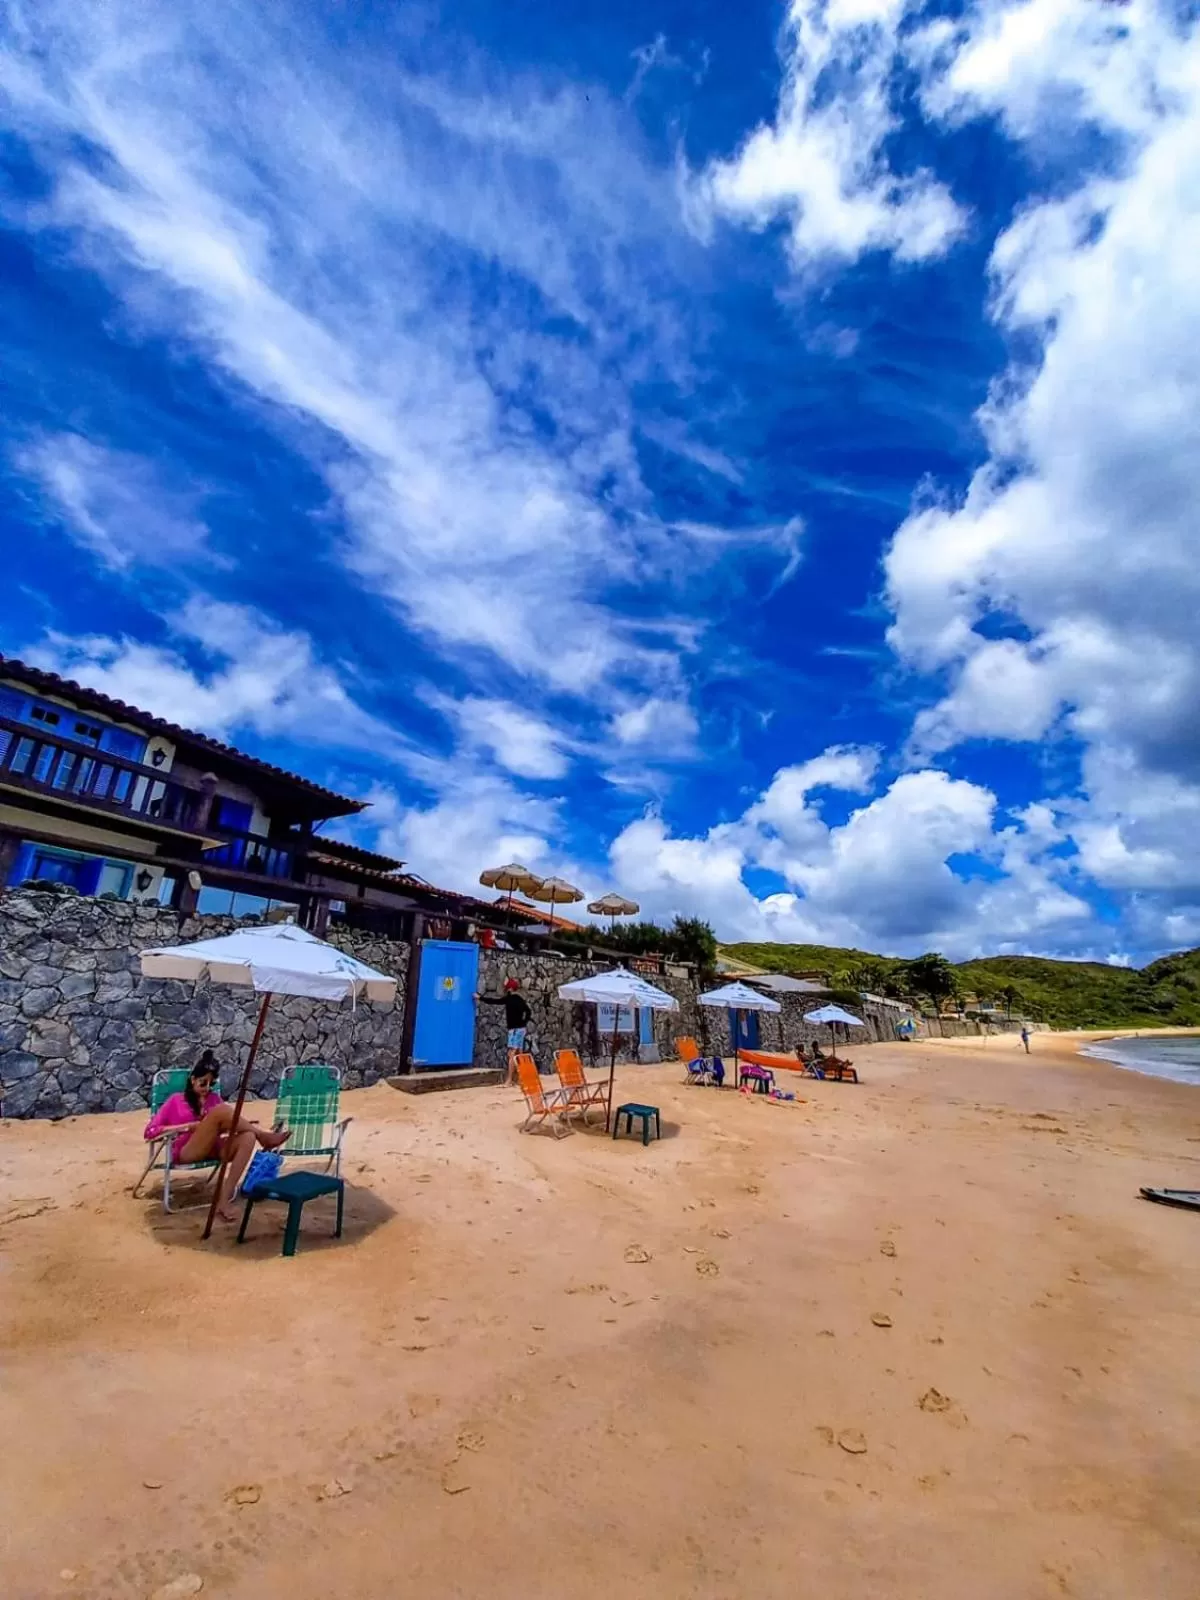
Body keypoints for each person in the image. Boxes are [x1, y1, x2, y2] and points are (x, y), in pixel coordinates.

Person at [143, 1052, 291, 1222]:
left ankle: (223, 1200)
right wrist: (188, 1126)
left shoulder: (213, 1099)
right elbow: (150, 1132)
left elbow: (229, 1120)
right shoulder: (176, 1100)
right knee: (221, 1112)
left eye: (211, 1084)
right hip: (187, 1150)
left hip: (214, 1148)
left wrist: (243, 1124)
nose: (207, 1088)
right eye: (202, 1083)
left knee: (248, 1136)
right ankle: (263, 1136)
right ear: (192, 1080)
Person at [474, 977, 532, 1083]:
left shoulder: (509, 999)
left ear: (509, 988)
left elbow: (494, 1001)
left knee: (512, 1053)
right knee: (519, 1053)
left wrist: (480, 998)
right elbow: (528, 1011)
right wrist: (524, 1022)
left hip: (514, 1030)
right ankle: (522, 1078)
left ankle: (509, 1080)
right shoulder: (519, 999)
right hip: (520, 1029)